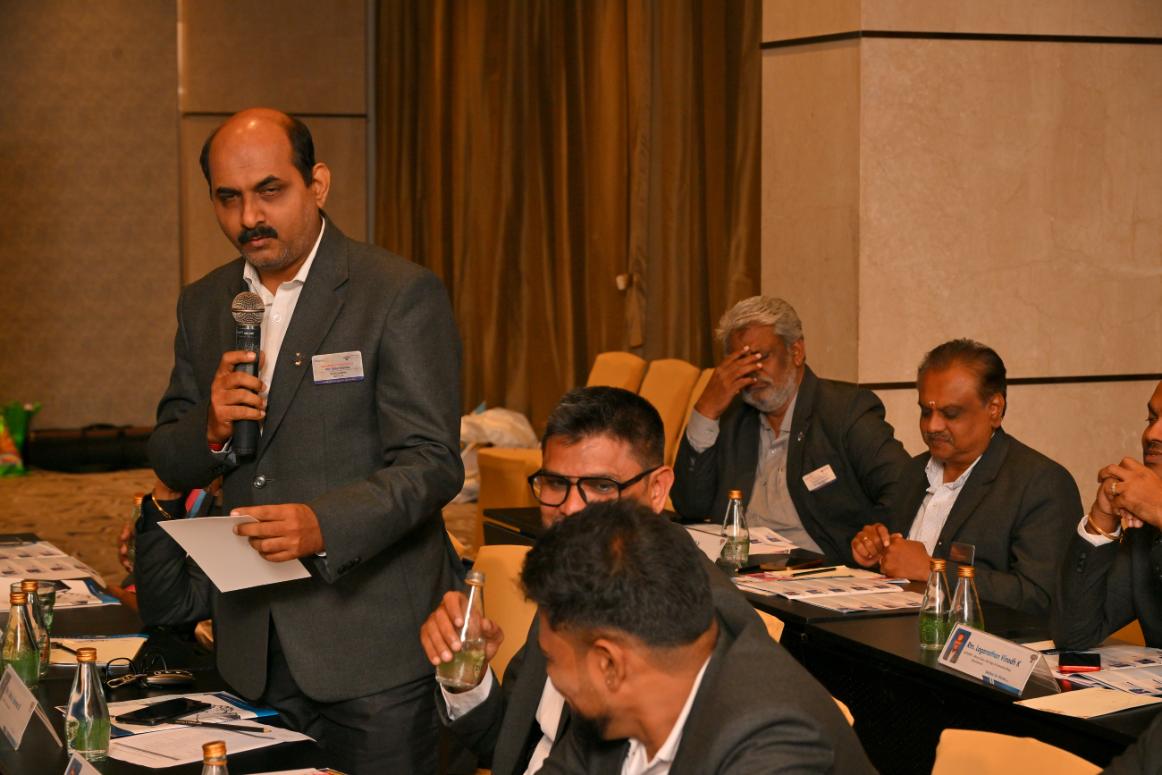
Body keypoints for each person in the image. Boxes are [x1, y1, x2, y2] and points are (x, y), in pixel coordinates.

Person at [146, 108, 464, 773]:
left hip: (372, 650)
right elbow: (168, 455)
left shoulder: (396, 292)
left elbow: (432, 463)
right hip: (251, 649)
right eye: (228, 198)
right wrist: (209, 429)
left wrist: (324, 524)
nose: (249, 217)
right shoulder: (204, 303)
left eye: (270, 191)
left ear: (317, 183)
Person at [420, 386, 762, 775]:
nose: (570, 508)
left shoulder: (701, 618)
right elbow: (512, 747)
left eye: (601, 486)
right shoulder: (578, 571)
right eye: (555, 483)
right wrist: (468, 676)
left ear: (657, 490)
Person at [526, 500, 873, 774]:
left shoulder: (772, 743)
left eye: (552, 659)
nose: (551, 677)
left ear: (609, 664)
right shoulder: (609, 711)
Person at [671, 296, 910, 564]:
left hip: (817, 572)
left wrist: (875, 539)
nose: (752, 372)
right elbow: (690, 505)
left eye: (761, 357)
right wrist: (706, 410)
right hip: (738, 569)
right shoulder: (731, 416)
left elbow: (904, 487)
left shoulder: (844, 411)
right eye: (740, 362)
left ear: (796, 352)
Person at [851, 339, 1081, 617]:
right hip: (894, 632)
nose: (933, 426)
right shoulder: (913, 472)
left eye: (950, 414)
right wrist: (877, 548)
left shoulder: (1041, 484)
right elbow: (898, 562)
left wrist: (933, 571)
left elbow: (1041, 598)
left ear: (994, 408)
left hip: (983, 642)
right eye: (925, 411)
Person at [1052, 380, 1162, 649]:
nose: (1152, 433)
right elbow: (1074, 634)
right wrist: (1102, 518)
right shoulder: (1146, 529)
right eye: (1151, 419)